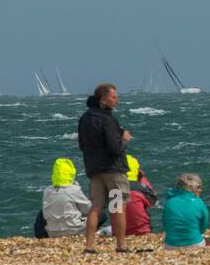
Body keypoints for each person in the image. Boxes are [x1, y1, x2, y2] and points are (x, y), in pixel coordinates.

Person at [78, 82, 132, 253]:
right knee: (117, 207)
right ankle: (121, 245)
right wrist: (124, 138)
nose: (117, 100)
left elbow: (82, 145)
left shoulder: (85, 118)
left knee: (96, 207)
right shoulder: (108, 120)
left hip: (95, 171)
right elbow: (114, 148)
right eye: (113, 97)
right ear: (103, 99)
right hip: (113, 172)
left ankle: (89, 246)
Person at [35, 158, 94, 238]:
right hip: (75, 231)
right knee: (98, 214)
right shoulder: (74, 190)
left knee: (42, 212)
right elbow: (88, 209)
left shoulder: (47, 191)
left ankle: (41, 237)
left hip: (52, 232)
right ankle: (93, 233)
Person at [162, 173, 210, 248]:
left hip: (170, 245)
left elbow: (165, 224)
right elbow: (203, 227)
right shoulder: (199, 203)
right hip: (194, 244)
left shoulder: (169, 202)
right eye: (199, 187)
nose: (201, 190)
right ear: (195, 189)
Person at [124, 154, 157, 236]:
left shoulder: (113, 190)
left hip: (119, 231)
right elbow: (154, 202)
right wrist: (142, 179)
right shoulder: (140, 188)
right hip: (142, 231)